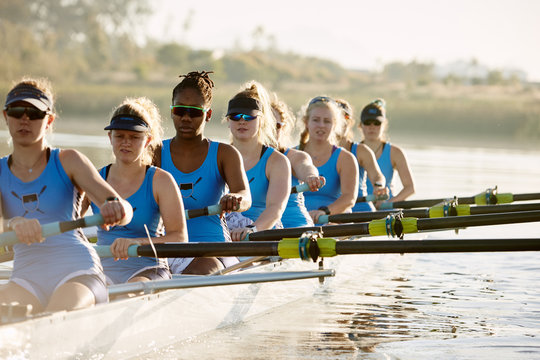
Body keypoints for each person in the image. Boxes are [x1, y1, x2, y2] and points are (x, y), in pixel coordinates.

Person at [0, 77, 130, 314]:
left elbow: (125, 211)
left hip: (78, 272)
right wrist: (13, 223)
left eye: (35, 113)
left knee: (55, 316)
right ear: (5, 116)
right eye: (17, 111)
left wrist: (115, 207)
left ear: (49, 120)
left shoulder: (69, 161)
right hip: (26, 277)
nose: (25, 119)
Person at [153, 71, 251, 274]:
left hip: (212, 249)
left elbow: (245, 196)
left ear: (207, 115)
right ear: (171, 111)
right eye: (180, 110)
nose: (186, 118)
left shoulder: (225, 154)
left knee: (207, 268)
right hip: (166, 247)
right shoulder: (154, 152)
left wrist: (235, 198)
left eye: (194, 112)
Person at [83, 97, 187, 285]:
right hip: (102, 270)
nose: (126, 143)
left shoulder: (161, 181)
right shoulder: (95, 179)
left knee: (126, 294)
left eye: (134, 137)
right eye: (120, 136)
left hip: (148, 269)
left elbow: (179, 238)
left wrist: (136, 243)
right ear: (110, 137)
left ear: (147, 140)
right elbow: (67, 225)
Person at [225, 81, 291, 241]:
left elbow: (276, 208)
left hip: (261, 232)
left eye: (249, 116)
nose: (242, 121)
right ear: (227, 121)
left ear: (261, 121)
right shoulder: (218, 155)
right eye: (235, 116)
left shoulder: (277, 161)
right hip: (225, 231)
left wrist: (252, 229)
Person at [298, 96, 359, 224]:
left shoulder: (346, 158)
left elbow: (349, 198)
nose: (321, 125)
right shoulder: (291, 156)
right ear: (306, 122)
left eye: (327, 121)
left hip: (332, 220)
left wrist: (324, 211)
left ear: (335, 125)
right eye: (316, 120)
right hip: (298, 221)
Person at [270, 95, 324, 228]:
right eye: (267, 124)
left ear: (284, 128)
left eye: (276, 126)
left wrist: (311, 177)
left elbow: (305, 166)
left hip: (295, 226)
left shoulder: (294, 157)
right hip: (256, 227)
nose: (270, 131)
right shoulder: (237, 157)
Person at [335, 98, 387, 212]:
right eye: (338, 117)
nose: (343, 122)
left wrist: (378, 186)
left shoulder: (361, 150)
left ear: (351, 122)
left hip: (360, 208)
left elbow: (377, 176)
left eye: (346, 117)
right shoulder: (314, 151)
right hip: (330, 209)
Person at [359, 99, 415, 205]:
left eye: (377, 123)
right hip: (360, 208)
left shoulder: (395, 153)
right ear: (360, 125)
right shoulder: (352, 151)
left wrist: (389, 203)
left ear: (384, 125)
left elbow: (410, 188)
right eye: (367, 122)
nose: (372, 127)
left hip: (385, 210)